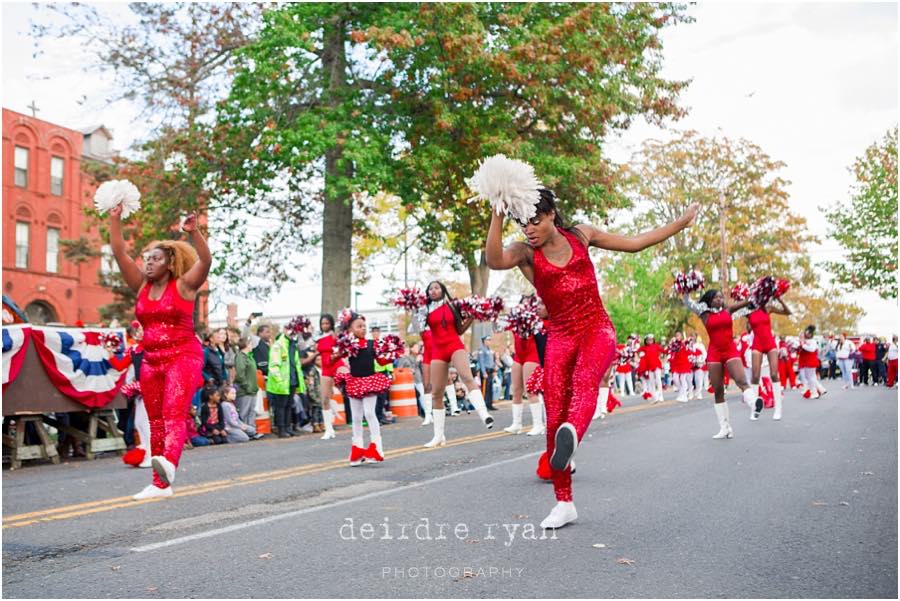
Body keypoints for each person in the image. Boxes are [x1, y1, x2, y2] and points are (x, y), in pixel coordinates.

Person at [485, 183, 697, 529]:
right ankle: (564, 503)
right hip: (561, 336)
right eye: (523, 224)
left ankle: (573, 431)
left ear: (552, 214)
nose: (529, 230)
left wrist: (680, 223)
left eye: (535, 221)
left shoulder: (581, 236)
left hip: (596, 329)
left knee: (584, 383)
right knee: (553, 417)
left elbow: (636, 242)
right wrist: (496, 209)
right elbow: (494, 261)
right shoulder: (525, 253)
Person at [109, 205, 209, 500]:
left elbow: (206, 259)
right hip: (151, 360)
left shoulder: (185, 285)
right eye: (147, 258)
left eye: (156, 259)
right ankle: (159, 484)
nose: (148, 263)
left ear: (170, 263)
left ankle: (170, 463)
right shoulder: (140, 285)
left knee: (172, 414)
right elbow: (119, 252)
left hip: (183, 356)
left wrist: (194, 232)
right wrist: (115, 218)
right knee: (154, 421)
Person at [410, 281, 494, 448]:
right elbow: (417, 328)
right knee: (436, 393)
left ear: (442, 290)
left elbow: (460, 329)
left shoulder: (453, 305)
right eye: (430, 288)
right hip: (437, 351)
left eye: (436, 288)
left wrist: (472, 316)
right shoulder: (425, 310)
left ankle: (484, 414)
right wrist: (414, 308)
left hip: (454, 345)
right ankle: (438, 436)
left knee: (466, 377)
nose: (433, 290)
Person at [682, 288, 756, 440]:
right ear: (710, 300)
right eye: (716, 298)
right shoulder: (704, 313)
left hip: (730, 350)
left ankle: (754, 402)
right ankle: (725, 428)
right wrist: (686, 289)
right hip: (714, 353)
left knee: (741, 379)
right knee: (718, 390)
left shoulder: (728, 310)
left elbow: (748, 301)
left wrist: (759, 292)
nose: (719, 300)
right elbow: (688, 302)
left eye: (721, 297)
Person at [334, 311, 392, 465]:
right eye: (359, 326)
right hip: (354, 382)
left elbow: (381, 360)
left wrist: (391, 353)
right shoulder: (347, 346)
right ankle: (357, 451)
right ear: (350, 330)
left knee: (369, 413)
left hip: (370, 382)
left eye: (364, 326)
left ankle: (377, 448)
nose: (363, 329)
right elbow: (335, 358)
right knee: (357, 417)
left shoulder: (372, 344)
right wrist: (339, 356)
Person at [747, 294, 792, 421]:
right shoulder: (748, 311)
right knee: (755, 376)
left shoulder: (768, 308)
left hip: (770, 343)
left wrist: (779, 299)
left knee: (774, 374)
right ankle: (755, 409)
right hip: (757, 343)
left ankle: (778, 408)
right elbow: (732, 311)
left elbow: (787, 312)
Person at [267, 323, 306, 438]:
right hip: (281, 382)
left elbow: (296, 363)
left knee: (289, 405)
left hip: (291, 379)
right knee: (280, 406)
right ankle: (281, 429)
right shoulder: (278, 345)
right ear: (284, 330)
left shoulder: (293, 345)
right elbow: (274, 365)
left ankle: (288, 427)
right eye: (289, 330)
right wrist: (279, 380)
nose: (291, 333)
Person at [315, 314, 345, 440]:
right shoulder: (318, 337)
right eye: (323, 323)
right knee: (325, 399)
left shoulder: (336, 335)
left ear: (331, 324)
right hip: (325, 368)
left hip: (337, 364)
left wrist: (335, 356)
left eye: (327, 323)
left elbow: (341, 350)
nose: (325, 326)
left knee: (350, 391)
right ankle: (329, 429)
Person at [233, 337, 259, 427]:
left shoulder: (250, 356)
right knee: (244, 412)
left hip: (252, 390)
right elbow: (240, 375)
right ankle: (246, 431)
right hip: (245, 391)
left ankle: (252, 430)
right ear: (246, 345)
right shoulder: (240, 357)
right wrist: (247, 386)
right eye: (250, 344)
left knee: (252, 412)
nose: (252, 346)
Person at [799, 326, 827, 399]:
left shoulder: (813, 341)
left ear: (811, 334)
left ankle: (815, 392)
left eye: (807, 333)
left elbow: (812, 349)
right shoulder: (806, 341)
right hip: (807, 361)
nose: (806, 334)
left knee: (810, 377)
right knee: (811, 377)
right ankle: (820, 389)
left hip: (811, 361)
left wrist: (803, 345)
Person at [477, 336, 497, 410]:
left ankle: (489, 404)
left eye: (489, 340)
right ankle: (484, 405)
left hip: (490, 371)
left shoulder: (489, 349)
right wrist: (483, 372)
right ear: (484, 341)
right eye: (488, 340)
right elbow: (481, 362)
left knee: (490, 389)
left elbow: (492, 361)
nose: (489, 341)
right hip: (485, 371)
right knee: (485, 389)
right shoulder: (481, 349)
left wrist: (494, 369)